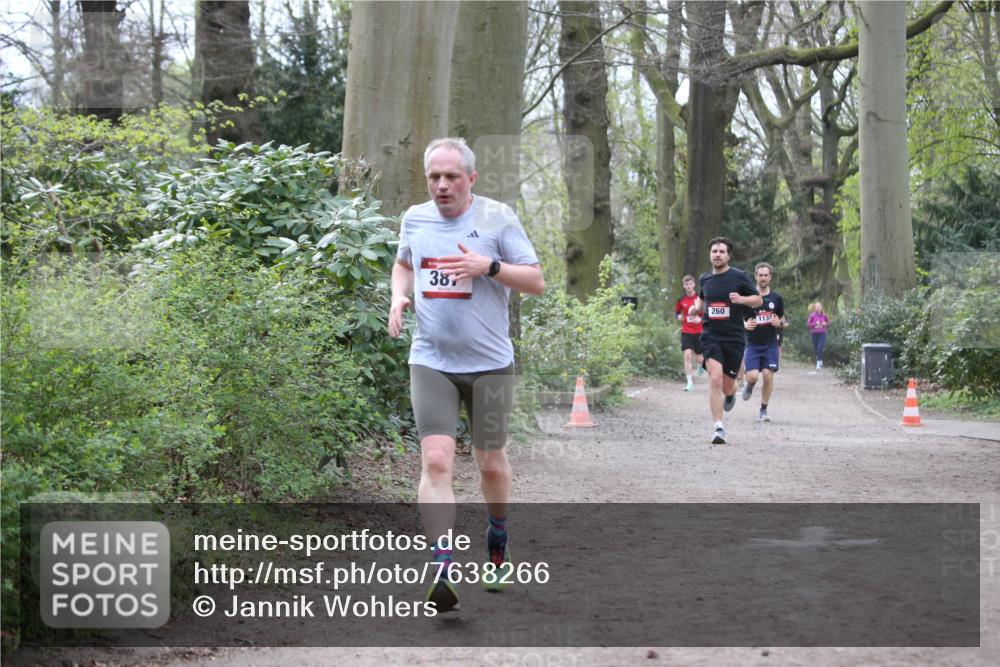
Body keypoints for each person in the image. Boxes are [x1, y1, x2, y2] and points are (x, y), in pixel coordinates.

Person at [388, 137, 544, 612]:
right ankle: (441, 565)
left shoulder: (498, 219)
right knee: (435, 461)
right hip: (430, 359)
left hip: (490, 365)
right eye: (434, 176)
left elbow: (536, 281)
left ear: (471, 179)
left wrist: (489, 266)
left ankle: (497, 536)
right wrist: (399, 296)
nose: (441, 185)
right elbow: (403, 263)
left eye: (451, 177)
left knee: (490, 462)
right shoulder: (414, 218)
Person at [688, 237, 762, 444]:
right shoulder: (705, 278)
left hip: (734, 338)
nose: (717, 255)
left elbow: (758, 299)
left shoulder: (739, 277)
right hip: (711, 336)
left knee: (728, 386)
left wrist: (742, 300)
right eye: (714, 251)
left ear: (728, 255)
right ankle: (718, 428)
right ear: (710, 255)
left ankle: (731, 395)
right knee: (715, 379)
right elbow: (703, 300)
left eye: (721, 251)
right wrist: (696, 308)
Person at [741, 263, 786, 422]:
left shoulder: (776, 298)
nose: (763, 278)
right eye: (760, 275)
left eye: (766, 275)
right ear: (756, 276)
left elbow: (781, 318)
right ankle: (749, 385)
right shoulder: (748, 298)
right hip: (752, 344)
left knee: (768, 375)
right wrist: (745, 325)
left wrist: (778, 323)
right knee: (752, 376)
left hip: (770, 344)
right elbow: (738, 318)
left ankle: (763, 409)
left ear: (770, 277)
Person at [674, 275, 704, 391]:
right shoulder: (681, 300)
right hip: (686, 330)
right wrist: (679, 316)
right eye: (686, 284)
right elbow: (676, 313)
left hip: (699, 331)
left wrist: (700, 319)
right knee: (687, 355)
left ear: (694, 284)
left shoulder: (700, 299)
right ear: (684, 286)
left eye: (690, 284)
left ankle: (701, 365)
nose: (688, 286)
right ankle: (689, 383)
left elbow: (706, 315)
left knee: (700, 358)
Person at [807, 301, 830, 370]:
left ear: (821, 307)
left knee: (820, 347)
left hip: (822, 333)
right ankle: (820, 360)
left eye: (819, 306)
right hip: (814, 333)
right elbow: (808, 324)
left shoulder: (824, 315)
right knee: (815, 348)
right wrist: (815, 324)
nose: (817, 308)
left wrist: (825, 324)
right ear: (815, 308)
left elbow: (829, 323)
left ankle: (818, 364)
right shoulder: (812, 315)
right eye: (816, 306)